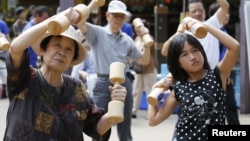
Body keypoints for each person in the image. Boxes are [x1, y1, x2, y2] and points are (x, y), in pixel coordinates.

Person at [3, 9, 127, 140]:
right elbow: (15, 48)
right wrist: (55, 20)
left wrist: (112, 111)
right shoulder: (25, 77)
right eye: (57, 45)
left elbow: (96, 127)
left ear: (72, 58)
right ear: (43, 50)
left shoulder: (76, 87)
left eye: (69, 49)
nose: (62, 52)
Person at [148, 18, 240, 141]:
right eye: (185, 54)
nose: (192, 57)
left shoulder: (219, 75)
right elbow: (153, 120)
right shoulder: (179, 89)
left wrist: (205, 26)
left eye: (195, 50)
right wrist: (153, 97)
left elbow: (234, 46)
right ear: (178, 63)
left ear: (202, 52)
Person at [77, 0, 151, 140]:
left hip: (125, 81)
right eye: (115, 15)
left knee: (125, 124)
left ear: (125, 18)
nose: (118, 19)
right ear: (107, 16)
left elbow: (144, 60)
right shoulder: (97, 32)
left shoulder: (127, 39)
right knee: (99, 124)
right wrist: (93, 3)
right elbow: (79, 20)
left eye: (121, 16)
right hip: (103, 81)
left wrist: (146, 42)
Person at [162, 0, 229, 70]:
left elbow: (225, 6)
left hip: (212, 72)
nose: (198, 13)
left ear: (204, 11)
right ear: (187, 14)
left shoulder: (212, 24)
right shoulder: (184, 33)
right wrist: (178, 32)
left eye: (200, 10)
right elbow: (165, 51)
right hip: (193, 75)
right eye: (194, 11)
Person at [208, 2, 240, 125]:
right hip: (219, 75)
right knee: (225, 108)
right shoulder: (214, 31)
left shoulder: (222, 30)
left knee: (230, 107)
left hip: (224, 74)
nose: (227, 16)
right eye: (225, 13)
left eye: (228, 13)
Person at [131, 20, 159, 118]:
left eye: (140, 28)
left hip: (149, 68)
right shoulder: (137, 39)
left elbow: (143, 51)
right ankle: (133, 111)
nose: (138, 30)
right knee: (136, 91)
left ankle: (152, 112)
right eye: (137, 28)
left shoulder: (148, 38)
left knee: (150, 92)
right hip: (139, 69)